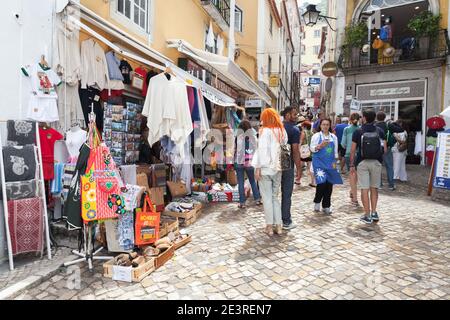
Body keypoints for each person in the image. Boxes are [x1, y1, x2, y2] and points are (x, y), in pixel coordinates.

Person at [253, 108, 288, 236]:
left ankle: (269, 226)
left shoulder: (264, 131)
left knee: (267, 198)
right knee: (274, 197)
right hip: (278, 168)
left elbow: (261, 151)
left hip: (265, 169)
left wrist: (257, 167)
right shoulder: (282, 131)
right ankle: (278, 226)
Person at [350, 110, 387, 224]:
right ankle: (374, 212)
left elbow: (352, 150)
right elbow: (384, 149)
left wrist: (352, 164)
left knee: (364, 189)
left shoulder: (358, 131)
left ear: (364, 118)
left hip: (362, 162)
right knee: (374, 188)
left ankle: (367, 214)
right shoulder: (380, 131)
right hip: (376, 162)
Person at [310, 118, 343, 214]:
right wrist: (319, 146)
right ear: (320, 125)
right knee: (321, 184)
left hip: (330, 163)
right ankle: (317, 201)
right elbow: (312, 149)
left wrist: (336, 162)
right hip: (319, 163)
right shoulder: (316, 136)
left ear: (330, 126)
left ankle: (326, 205)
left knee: (329, 185)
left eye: (327, 124)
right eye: (323, 124)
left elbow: (335, 151)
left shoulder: (334, 137)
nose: (325, 126)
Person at [281, 107, 301, 230]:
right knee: (287, 193)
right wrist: (299, 168)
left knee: (273, 194)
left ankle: (275, 220)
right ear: (287, 115)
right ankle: (286, 220)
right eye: (294, 114)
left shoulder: (277, 128)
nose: (296, 116)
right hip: (287, 164)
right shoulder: (294, 129)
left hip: (275, 163)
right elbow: (295, 151)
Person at [234, 120, 262, 209]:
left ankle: (242, 203)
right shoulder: (253, 137)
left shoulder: (238, 137)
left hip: (239, 162)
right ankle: (257, 199)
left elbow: (235, 150)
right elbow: (257, 149)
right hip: (250, 162)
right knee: (253, 181)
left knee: (241, 183)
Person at [341, 113, 361, 205]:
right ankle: (352, 191)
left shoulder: (347, 129)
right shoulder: (361, 129)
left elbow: (343, 144)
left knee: (352, 175)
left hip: (349, 154)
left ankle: (354, 198)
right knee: (356, 175)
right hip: (360, 155)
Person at [375, 111, 395, 190]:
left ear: (376, 117)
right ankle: (391, 184)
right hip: (387, 148)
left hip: (376, 148)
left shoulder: (374, 126)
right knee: (389, 166)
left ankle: (379, 184)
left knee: (378, 166)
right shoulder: (388, 126)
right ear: (384, 118)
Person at [299, 121, 315, 187]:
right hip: (310, 151)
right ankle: (312, 181)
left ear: (304, 126)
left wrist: (298, 149)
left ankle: (298, 179)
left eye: (302, 126)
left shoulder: (303, 133)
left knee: (300, 166)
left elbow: (301, 141)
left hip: (304, 151)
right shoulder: (312, 133)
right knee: (310, 167)